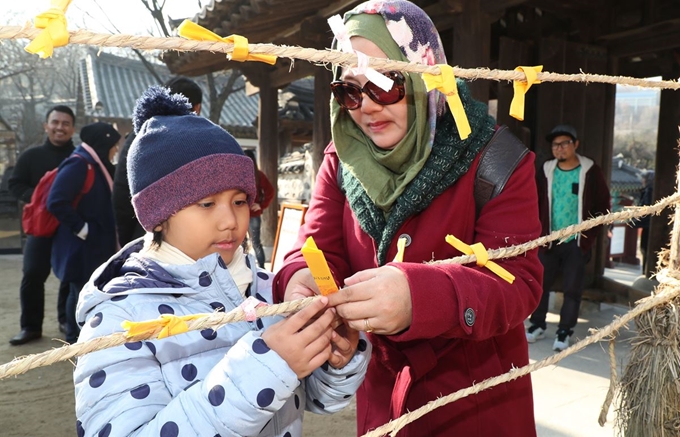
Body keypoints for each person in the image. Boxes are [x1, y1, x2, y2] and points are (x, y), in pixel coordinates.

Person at [273, 1, 543, 435]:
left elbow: (519, 282)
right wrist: (300, 279)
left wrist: (421, 297)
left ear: (424, 71)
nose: (366, 107)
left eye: (385, 83)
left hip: (473, 398)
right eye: (349, 91)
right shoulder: (342, 160)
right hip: (381, 394)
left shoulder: (495, 158)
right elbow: (316, 245)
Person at [73, 86, 370, 437]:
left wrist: (336, 358)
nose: (230, 221)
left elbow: (319, 399)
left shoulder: (265, 287)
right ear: (158, 215)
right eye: (207, 204)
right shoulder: (120, 317)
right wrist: (268, 367)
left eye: (240, 201)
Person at [526, 124, 610, 351]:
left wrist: (588, 237)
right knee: (540, 284)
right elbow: (533, 202)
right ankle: (537, 325)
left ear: (576, 145)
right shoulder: (545, 170)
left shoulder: (590, 171)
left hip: (576, 242)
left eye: (564, 143)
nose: (559, 148)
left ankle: (564, 331)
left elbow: (603, 206)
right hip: (549, 240)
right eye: (555, 145)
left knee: (573, 288)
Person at [47, 122, 121, 344]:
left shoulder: (95, 163)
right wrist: (83, 229)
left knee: (83, 292)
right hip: (80, 247)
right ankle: (75, 340)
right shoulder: (80, 164)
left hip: (91, 246)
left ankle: (81, 338)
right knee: (79, 294)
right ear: (103, 142)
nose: (116, 150)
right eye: (114, 145)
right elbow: (56, 201)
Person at [7, 105, 76, 345]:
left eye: (65, 123)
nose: (60, 127)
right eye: (55, 122)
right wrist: (36, 199)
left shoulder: (77, 158)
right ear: (46, 126)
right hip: (39, 226)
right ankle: (30, 326)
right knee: (33, 274)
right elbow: (14, 184)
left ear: (72, 129)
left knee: (69, 276)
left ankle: (66, 320)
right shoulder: (31, 156)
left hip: (68, 226)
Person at [112, 75, 203, 246]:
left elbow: (121, 194)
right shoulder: (199, 142)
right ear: (197, 108)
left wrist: (127, 240)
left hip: (143, 236)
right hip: (188, 240)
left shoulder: (138, 136)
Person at [244, 149, 275, 268]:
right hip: (239, 215)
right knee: (242, 243)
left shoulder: (259, 175)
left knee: (256, 243)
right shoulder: (237, 175)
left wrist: (261, 205)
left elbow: (270, 192)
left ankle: (262, 268)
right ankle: (244, 268)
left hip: (253, 214)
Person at [634, 169, 654, 274]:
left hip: (649, 225)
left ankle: (646, 272)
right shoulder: (650, 190)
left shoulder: (649, 191)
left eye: (644, 178)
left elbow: (646, 209)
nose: (642, 180)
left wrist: (636, 218)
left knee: (645, 248)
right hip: (649, 225)